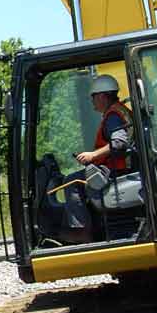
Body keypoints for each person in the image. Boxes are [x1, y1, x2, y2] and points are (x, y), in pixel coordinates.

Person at [63, 74, 132, 231]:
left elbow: (119, 142)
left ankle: (81, 232)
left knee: (72, 182)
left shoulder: (113, 116)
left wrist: (92, 155)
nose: (92, 101)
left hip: (114, 170)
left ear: (102, 96)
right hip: (118, 166)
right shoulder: (121, 111)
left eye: (93, 97)